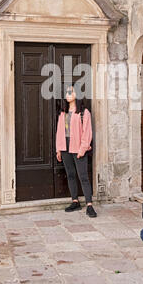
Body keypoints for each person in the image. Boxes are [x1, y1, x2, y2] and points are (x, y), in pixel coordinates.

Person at [56, 85, 97, 218]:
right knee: (71, 174)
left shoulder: (84, 113)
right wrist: (59, 149)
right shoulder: (63, 112)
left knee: (83, 176)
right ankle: (75, 201)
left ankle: (89, 204)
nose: (68, 94)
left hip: (78, 148)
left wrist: (83, 149)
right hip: (65, 148)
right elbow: (59, 132)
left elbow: (87, 133)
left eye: (71, 91)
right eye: (67, 92)